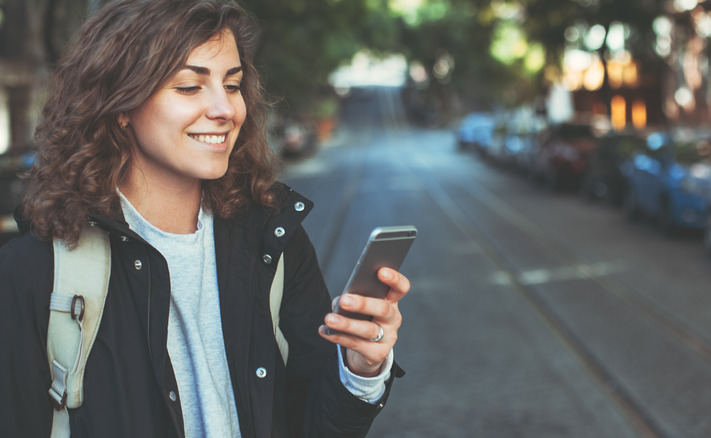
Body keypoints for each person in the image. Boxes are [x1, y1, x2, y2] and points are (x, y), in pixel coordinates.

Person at [0, 0, 410, 436]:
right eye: (189, 87)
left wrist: (360, 369)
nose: (226, 109)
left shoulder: (275, 242)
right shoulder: (33, 273)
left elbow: (313, 425)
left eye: (231, 85)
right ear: (121, 104)